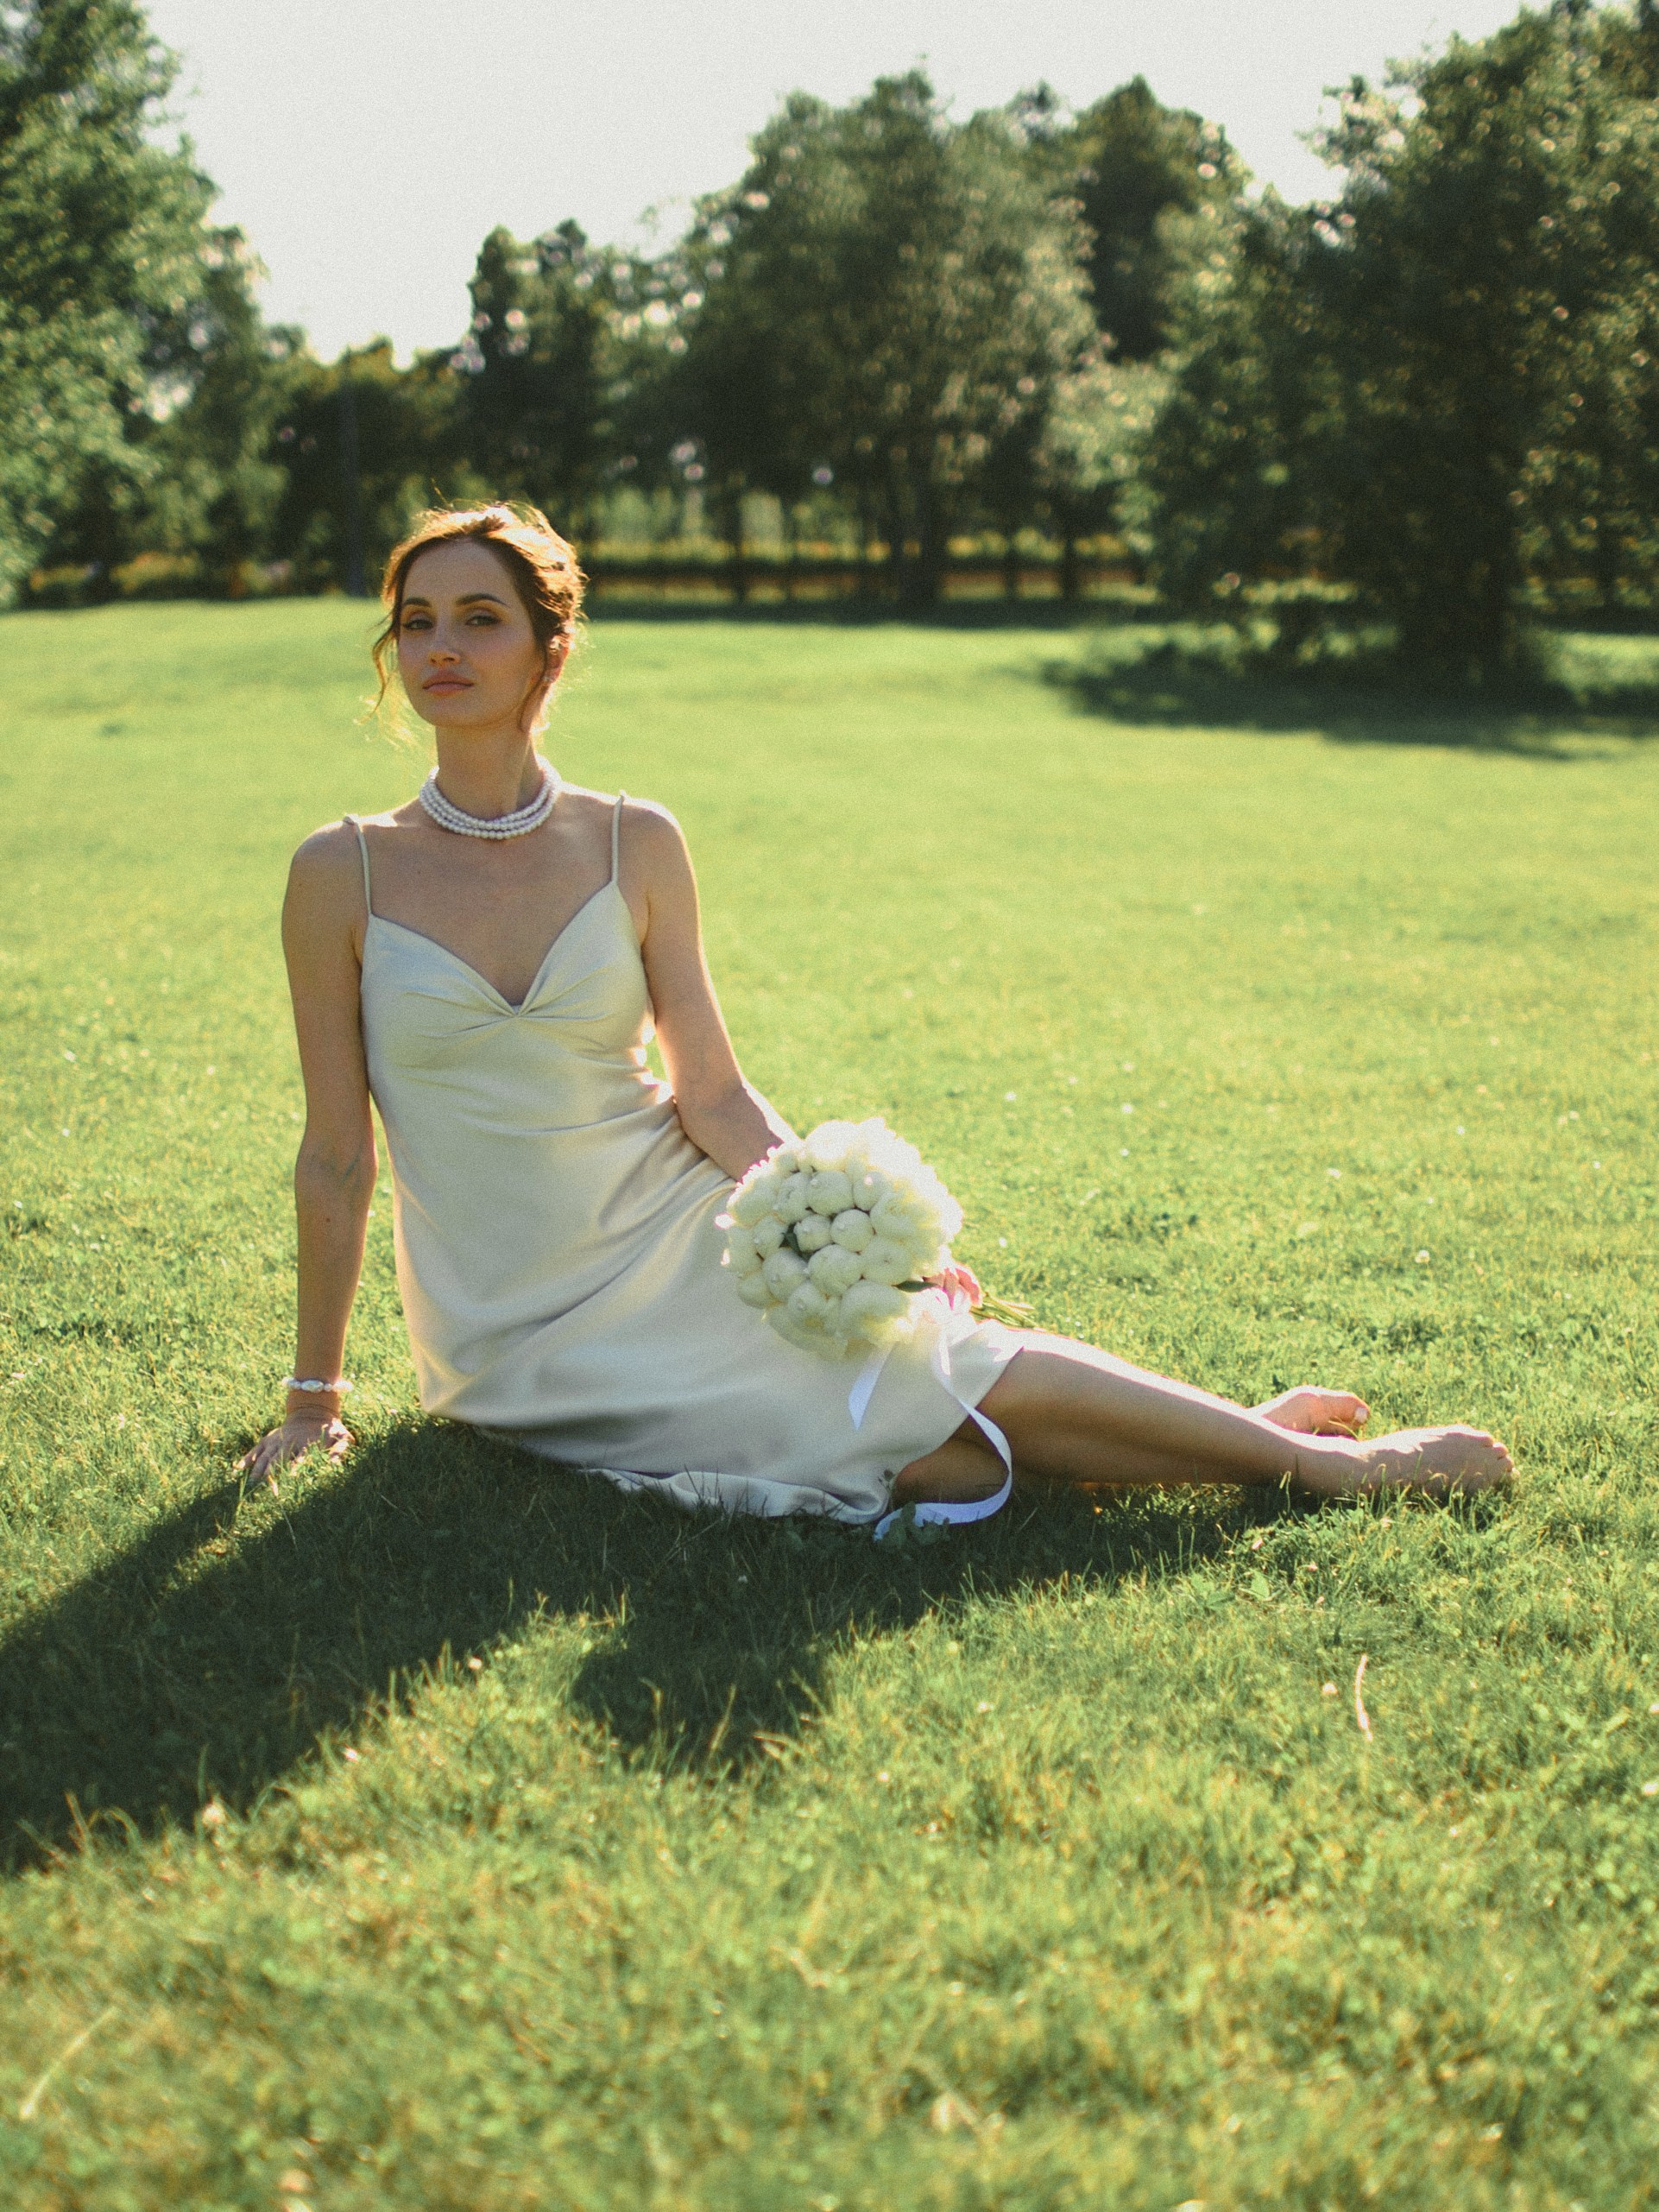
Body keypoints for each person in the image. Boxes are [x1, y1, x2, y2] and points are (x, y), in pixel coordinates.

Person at [237, 504, 1511, 1526]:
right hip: (512, 1326)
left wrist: (839, 1225)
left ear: (549, 648)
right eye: (417, 621)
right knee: (929, 1454)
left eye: (480, 618)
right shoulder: (341, 871)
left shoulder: (634, 841)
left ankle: (1320, 1465)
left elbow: (709, 1091)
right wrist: (311, 1400)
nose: (442, 647)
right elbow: (337, 1153)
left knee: (934, 1372)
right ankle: (1243, 1439)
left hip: (679, 1234)